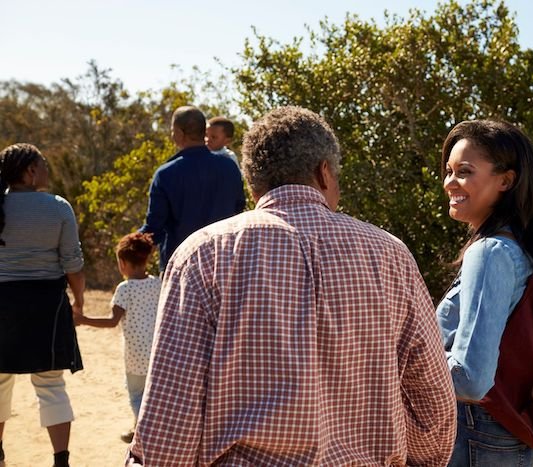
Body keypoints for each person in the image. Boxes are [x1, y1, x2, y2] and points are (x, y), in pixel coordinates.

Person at [127, 106, 456, 466]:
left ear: (253, 183)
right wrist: (424, 458)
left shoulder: (203, 254)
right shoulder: (391, 255)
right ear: (324, 172)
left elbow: (172, 412)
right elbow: (432, 398)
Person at [435, 120, 533, 466]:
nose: (449, 182)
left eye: (464, 171)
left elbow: (472, 378)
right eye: (448, 171)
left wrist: (407, 360)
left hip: (483, 436)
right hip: (512, 431)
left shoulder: (490, 253)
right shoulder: (522, 246)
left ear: (506, 180)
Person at [0, 143, 85, 467]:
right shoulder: (57, 207)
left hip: (2, 304)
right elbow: (73, 266)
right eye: (44, 164)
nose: (49, 170)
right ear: (30, 171)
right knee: (51, 384)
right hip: (45, 305)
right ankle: (60, 460)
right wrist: (77, 302)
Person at [73, 232, 161, 444]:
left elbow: (112, 321)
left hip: (136, 356)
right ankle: (138, 428)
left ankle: (147, 433)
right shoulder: (158, 283)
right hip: (158, 352)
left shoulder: (125, 289)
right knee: (152, 394)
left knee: (137, 395)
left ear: (122, 262)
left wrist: (83, 320)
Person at [140, 106, 246, 271]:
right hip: (223, 264)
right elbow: (239, 210)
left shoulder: (166, 174)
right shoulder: (230, 168)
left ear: (180, 134)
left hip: (180, 266)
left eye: (172, 130)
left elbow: (154, 229)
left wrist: (130, 250)